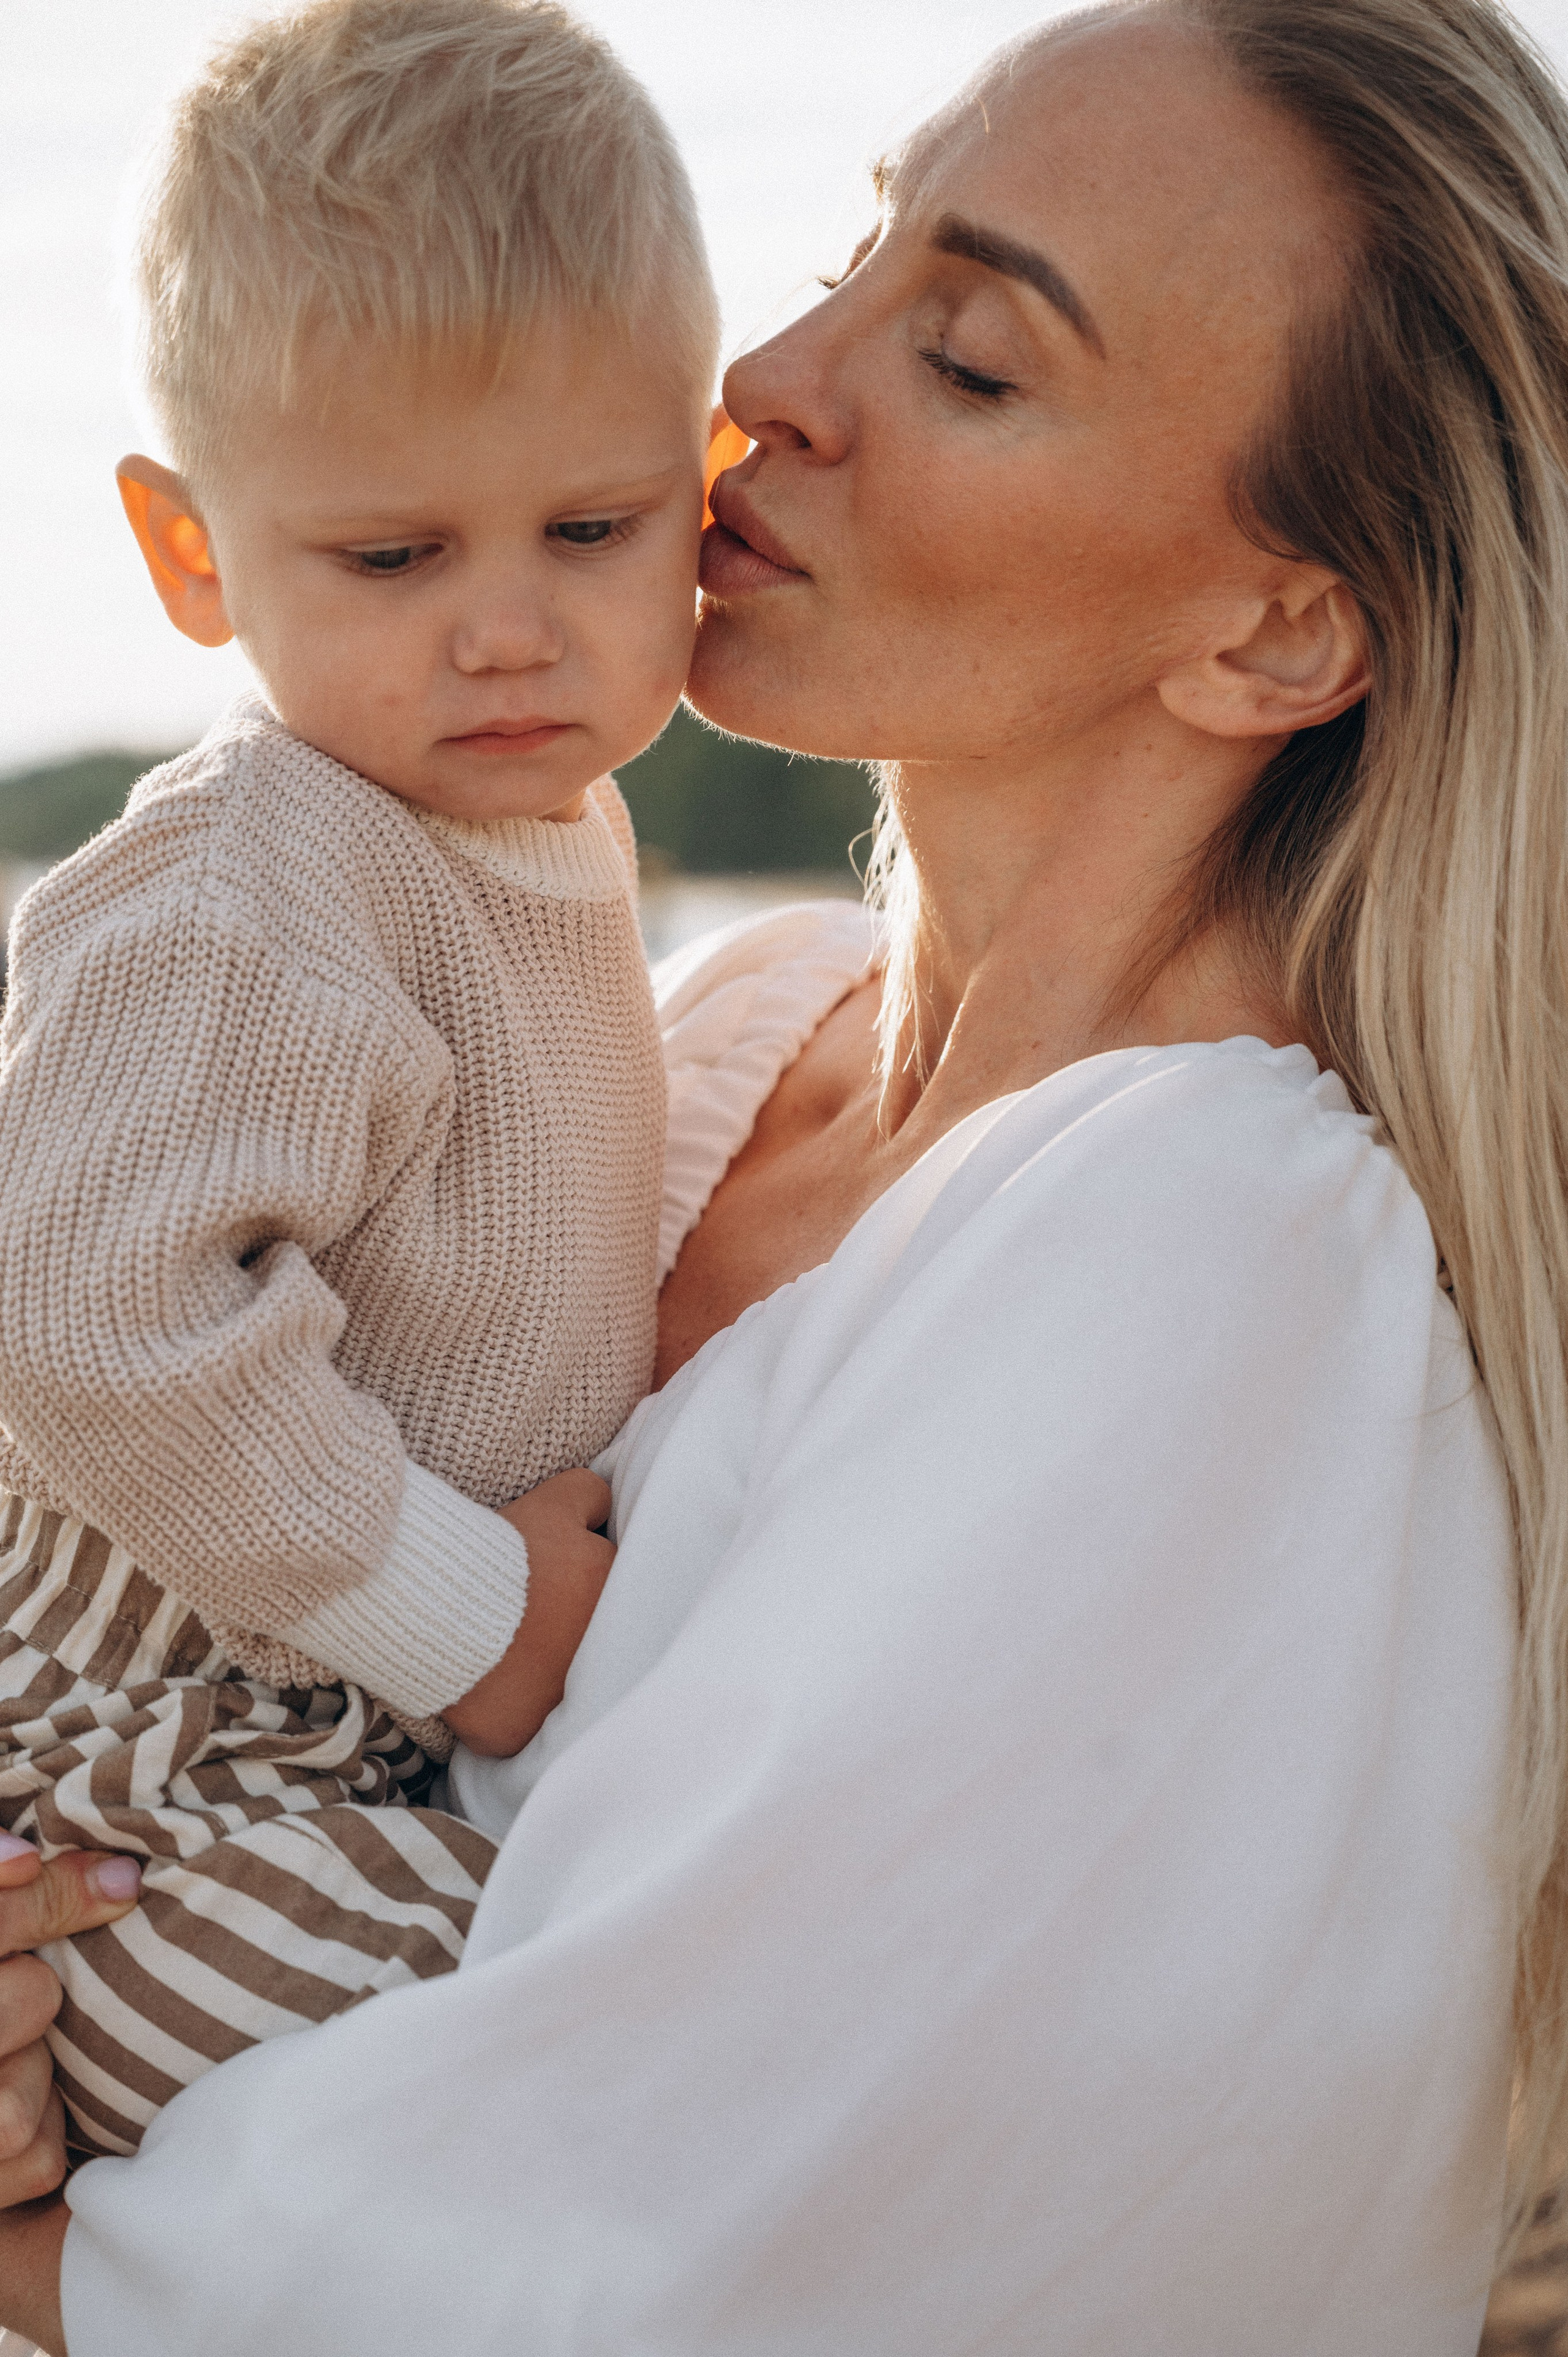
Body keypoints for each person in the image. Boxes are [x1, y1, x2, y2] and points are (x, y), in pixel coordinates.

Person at [0, 0, 1562, 2347]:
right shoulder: (725, 1042)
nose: (772, 376)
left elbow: (650, 2237)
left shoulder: (1216, 1271)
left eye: (971, 357)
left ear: (1275, 628)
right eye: (856, 252)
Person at [0, 0, 716, 2160]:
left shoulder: (538, 830)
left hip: (335, 1726)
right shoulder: (255, 878)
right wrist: (474, 1621)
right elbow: (85, 1314)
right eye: (395, 559)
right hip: (137, 1770)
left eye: (592, 530)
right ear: (195, 553)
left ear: (709, 488)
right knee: (539, 2037)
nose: (506, 629)